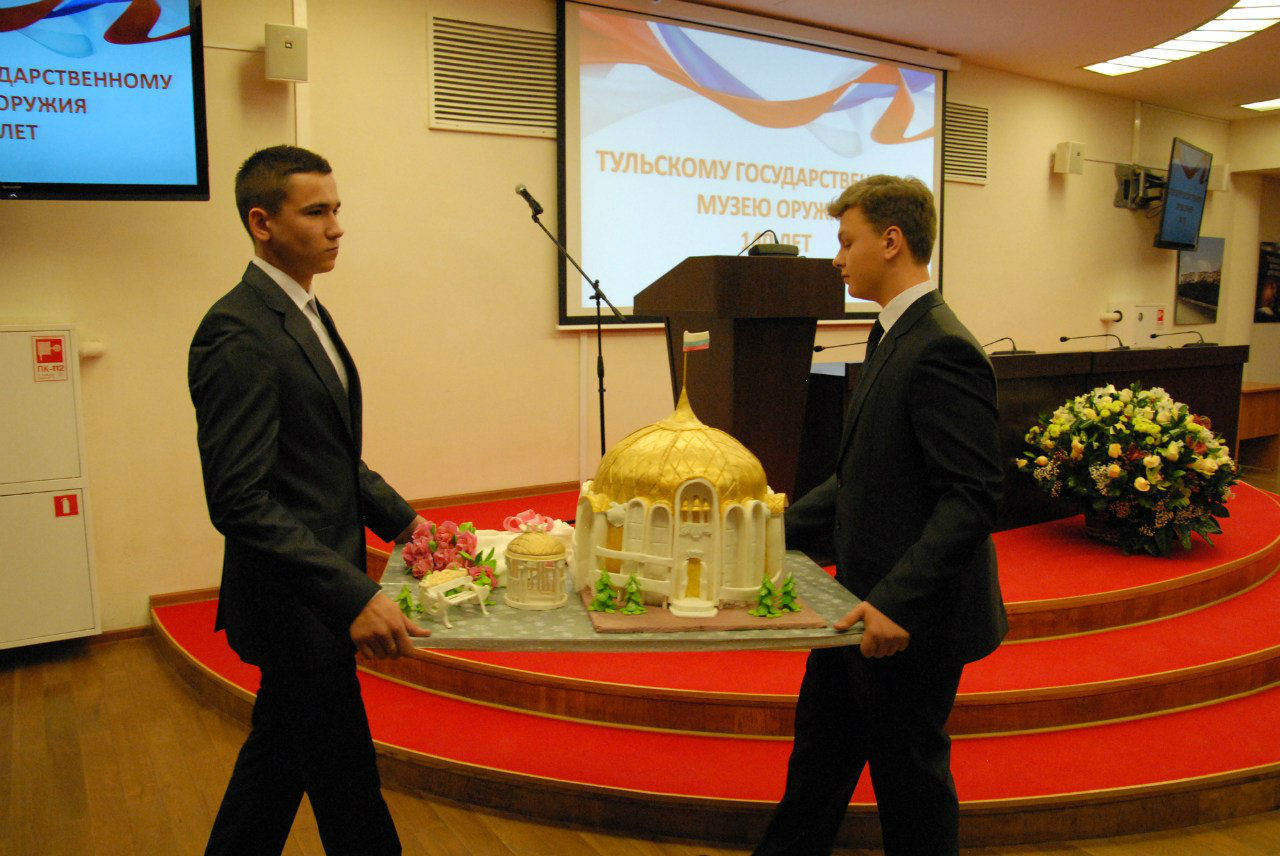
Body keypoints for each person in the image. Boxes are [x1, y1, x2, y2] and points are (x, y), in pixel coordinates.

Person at [753, 175, 1007, 855]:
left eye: (847, 241)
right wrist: (761, 532)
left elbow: (972, 496)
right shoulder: (891, 333)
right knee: (818, 762)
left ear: (891, 241)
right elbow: (859, 480)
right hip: (854, 603)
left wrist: (897, 602)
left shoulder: (942, 346)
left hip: (906, 621)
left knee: (911, 789)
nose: (837, 258)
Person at [189, 145, 430, 855]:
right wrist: (352, 594)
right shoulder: (238, 330)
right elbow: (239, 499)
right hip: (295, 604)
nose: (336, 227)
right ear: (262, 223)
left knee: (275, 769)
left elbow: (328, 456)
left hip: (311, 602)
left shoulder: (302, 309)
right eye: (316, 211)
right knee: (349, 790)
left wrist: (408, 525)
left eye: (337, 210)